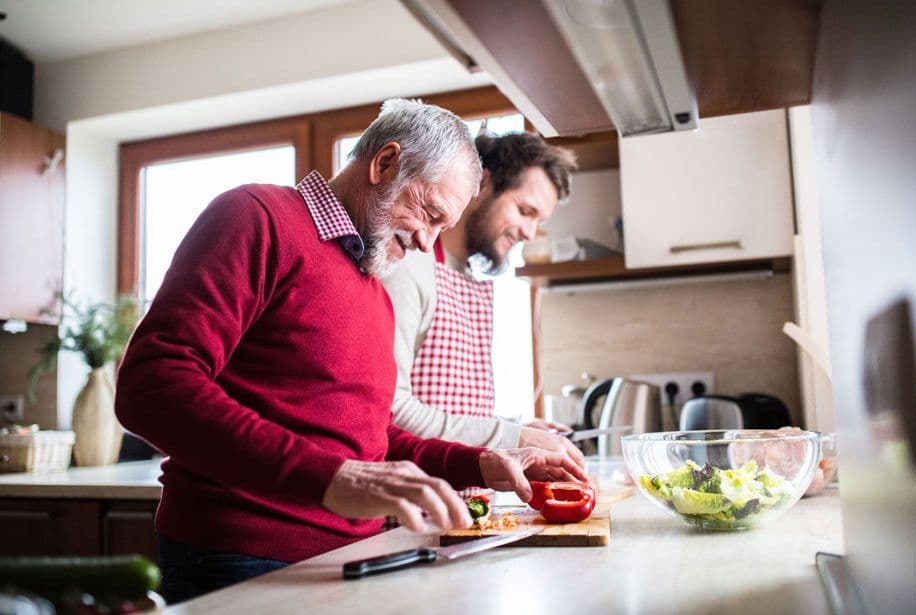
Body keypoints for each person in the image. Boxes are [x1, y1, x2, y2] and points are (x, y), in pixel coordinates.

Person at [114, 99, 585, 603]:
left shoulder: (375, 290)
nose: (428, 242)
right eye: (428, 213)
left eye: (442, 227)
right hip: (242, 557)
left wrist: (484, 463)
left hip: (354, 557)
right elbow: (151, 386)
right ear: (384, 163)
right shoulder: (257, 216)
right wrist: (332, 477)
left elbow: (371, 439)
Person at [383, 132, 580, 457]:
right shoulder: (410, 265)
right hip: (415, 501)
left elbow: (449, 410)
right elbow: (393, 410)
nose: (530, 233)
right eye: (524, 210)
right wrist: (512, 437)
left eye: (539, 221)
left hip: (465, 499)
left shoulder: (466, 277)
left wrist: (518, 426)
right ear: (482, 183)